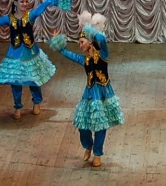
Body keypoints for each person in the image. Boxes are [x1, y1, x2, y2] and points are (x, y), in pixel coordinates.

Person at [49, 12, 124, 168]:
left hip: (104, 94)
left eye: (82, 41)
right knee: (82, 125)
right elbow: (69, 55)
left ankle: (97, 153)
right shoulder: (85, 60)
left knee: (101, 125)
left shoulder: (103, 55)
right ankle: (88, 145)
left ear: (90, 41)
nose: (80, 45)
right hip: (89, 94)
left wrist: (91, 29)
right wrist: (58, 45)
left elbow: (102, 40)